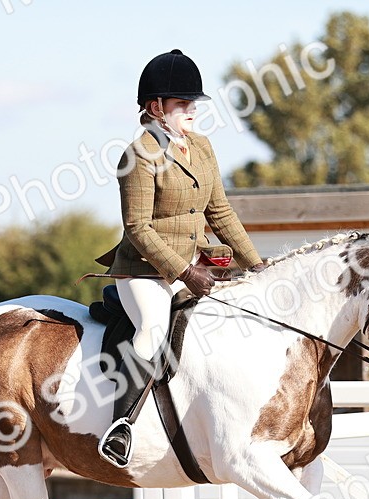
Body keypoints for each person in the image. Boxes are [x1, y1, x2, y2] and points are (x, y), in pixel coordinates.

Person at [94, 49, 265, 468]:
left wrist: (258, 266)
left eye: (193, 103)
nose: (192, 110)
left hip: (193, 267)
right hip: (144, 271)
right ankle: (121, 426)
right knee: (152, 329)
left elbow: (219, 212)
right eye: (182, 104)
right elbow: (137, 227)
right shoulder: (138, 156)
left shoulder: (202, 148)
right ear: (156, 108)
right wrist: (185, 271)